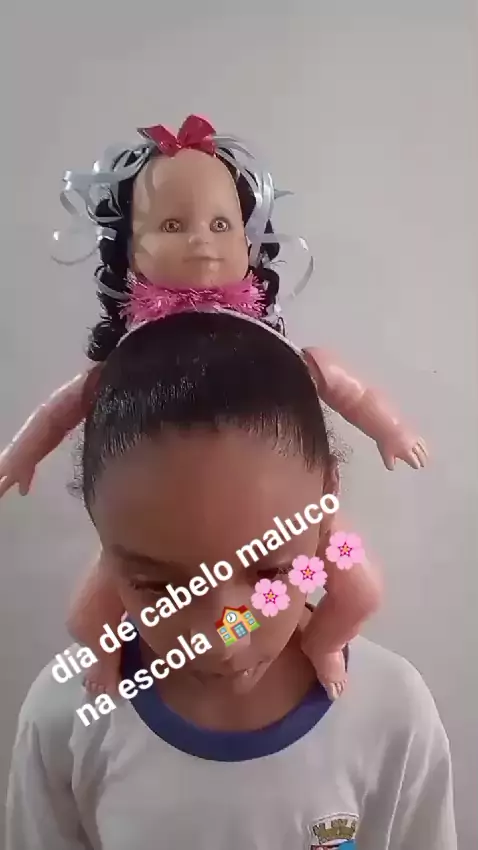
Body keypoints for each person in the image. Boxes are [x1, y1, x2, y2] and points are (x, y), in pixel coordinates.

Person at [0, 115, 426, 698]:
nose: (200, 240)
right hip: (153, 535)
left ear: (249, 242)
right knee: (86, 619)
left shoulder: (292, 359)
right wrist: (19, 454)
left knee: (361, 591)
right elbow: (58, 410)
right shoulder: (114, 373)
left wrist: (391, 429)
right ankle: (115, 643)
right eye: (173, 225)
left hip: (305, 521)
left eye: (220, 224)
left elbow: (350, 391)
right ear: (129, 249)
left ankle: (322, 643)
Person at [6, 311, 455, 849]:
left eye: (270, 573)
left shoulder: (392, 714)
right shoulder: (65, 719)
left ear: (326, 501)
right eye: (159, 587)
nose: (223, 637)